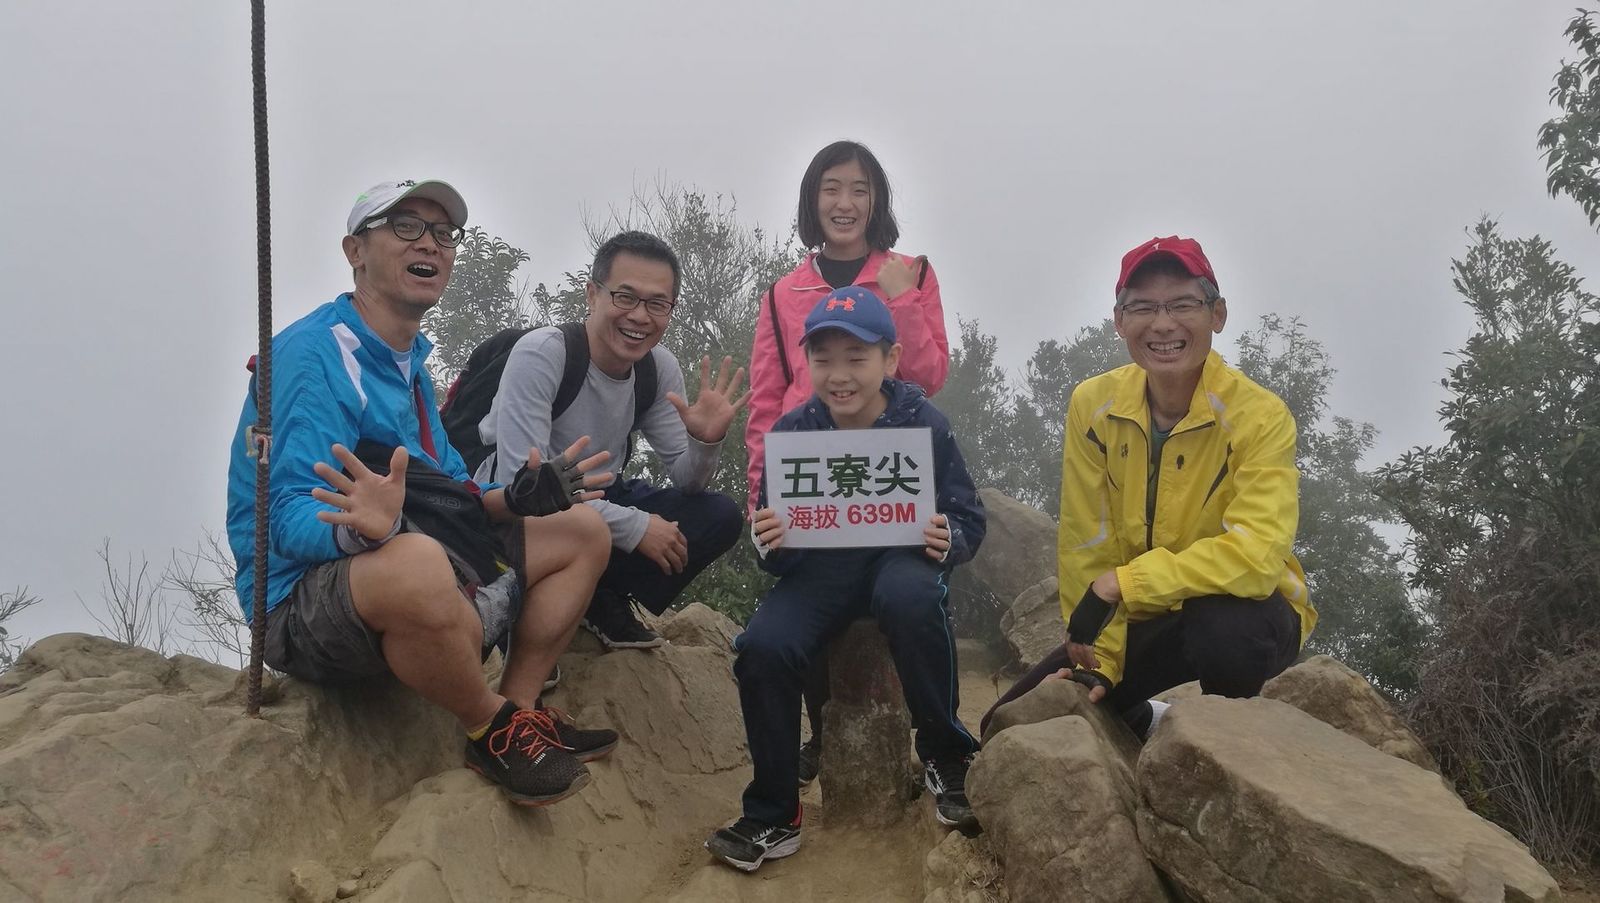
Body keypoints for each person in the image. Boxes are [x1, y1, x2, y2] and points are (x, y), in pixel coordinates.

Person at [226, 179, 619, 809]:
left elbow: (454, 491)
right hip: (296, 604)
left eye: (443, 233)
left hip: (404, 558)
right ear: (355, 250)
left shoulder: (406, 361)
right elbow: (283, 519)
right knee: (416, 562)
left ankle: (518, 712)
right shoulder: (312, 355)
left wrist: (520, 497)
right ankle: (485, 725)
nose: (430, 244)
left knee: (583, 530)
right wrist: (363, 528)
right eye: (405, 227)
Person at [980, 236, 1318, 741]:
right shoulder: (1094, 405)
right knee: (1006, 725)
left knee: (1224, 627)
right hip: (1149, 612)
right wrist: (1101, 661)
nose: (1162, 324)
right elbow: (1087, 538)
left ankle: (1230, 750)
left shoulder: (1259, 416)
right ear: (1119, 321)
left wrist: (1124, 584)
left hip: (1249, 611)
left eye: (1183, 304)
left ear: (1217, 314)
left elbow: (1256, 554)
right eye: (1142, 307)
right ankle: (1143, 722)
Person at [706, 286, 985, 873]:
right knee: (763, 647)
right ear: (806, 362)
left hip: (900, 556)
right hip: (819, 571)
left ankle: (946, 755)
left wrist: (949, 537)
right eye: (823, 358)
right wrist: (769, 541)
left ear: (890, 358)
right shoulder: (792, 435)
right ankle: (774, 812)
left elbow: (967, 516)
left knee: (910, 598)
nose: (839, 375)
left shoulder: (924, 424)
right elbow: (774, 547)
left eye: (857, 357)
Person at [745, 139, 953, 784]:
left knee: (906, 594)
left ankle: (938, 747)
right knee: (805, 594)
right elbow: (767, 401)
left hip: (892, 476)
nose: (845, 202)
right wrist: (762, 497)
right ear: (813, 199)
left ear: (877, 200)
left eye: (860, 189)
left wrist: (903, 301)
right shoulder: (784, 292)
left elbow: (929, 375)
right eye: (831, 187)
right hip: (809, 477)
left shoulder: (910, 273)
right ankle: (823, 733)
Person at [473, 231, 747, 649]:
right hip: (521, 509)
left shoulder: (657, 368)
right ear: (592, 294)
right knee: (572, 514)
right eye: (625, 297)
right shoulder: (543, 353)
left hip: (599, 494)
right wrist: (636, 525)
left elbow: (689, 481)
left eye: (657, 304)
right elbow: (520, 486)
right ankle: (522, 605)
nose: (640, 316)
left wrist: (705, 442)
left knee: (719, 516)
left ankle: (601, 597)